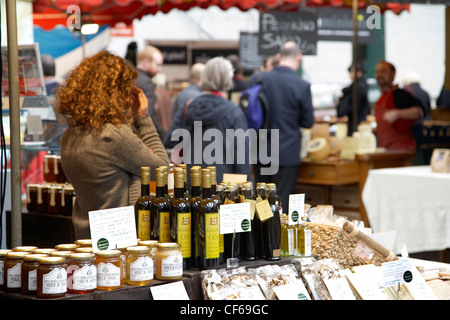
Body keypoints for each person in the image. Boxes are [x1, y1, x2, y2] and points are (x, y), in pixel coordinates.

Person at [57, 50, 169, 239]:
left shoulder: (69, 135)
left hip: (86, 235)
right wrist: (143, 118)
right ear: (116, 92)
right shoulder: (112, 135)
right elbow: (161, 170)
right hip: (116, 240)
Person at [164, 56, 252, 184]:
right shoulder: (234, 112)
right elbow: (242, 160)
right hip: (222, 185)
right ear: (228, 80)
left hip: (190, 182)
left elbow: (169, 141)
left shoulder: (187, 107)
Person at [256, 41, 315, 213]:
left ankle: (261, 238)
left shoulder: (260, 79)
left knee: (261, 201)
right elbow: (308, 122)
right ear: (299, 58)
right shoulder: (301, 85)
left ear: (279, 57)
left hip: (262, 150)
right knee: (280, 202)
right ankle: (276, 239)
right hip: (286, 152)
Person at [374, 60, 425, 151]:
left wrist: (397, 113)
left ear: (393, 74)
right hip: (385, 149)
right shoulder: (382, 97)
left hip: (400, 149)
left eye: (383, 71)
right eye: (377, 72)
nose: (379, 74)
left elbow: (420, 111)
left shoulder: (398, 94)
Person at [136, 45, 165, 139]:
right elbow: (148, 115)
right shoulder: (146, 84)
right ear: (145, 62)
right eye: (157, 65)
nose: (160, 69)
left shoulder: (129, 78)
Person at [336, 62, 370, 135]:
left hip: (357, 122)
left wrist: (343, 107)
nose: (350, 74)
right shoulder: (356, 85)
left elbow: (355, 106)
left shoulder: (359, 86)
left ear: (359, 72)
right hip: (354, 121)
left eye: (352, 71)